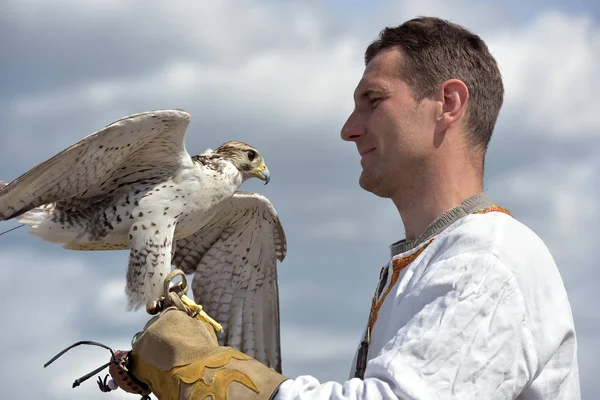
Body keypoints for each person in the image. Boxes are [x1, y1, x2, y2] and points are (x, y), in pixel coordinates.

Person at [109, 16, 581, 399]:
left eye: (372, 101)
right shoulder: (432, 260)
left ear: (449, 103)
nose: (349, 129)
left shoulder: (484, 260)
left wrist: (216, 377)